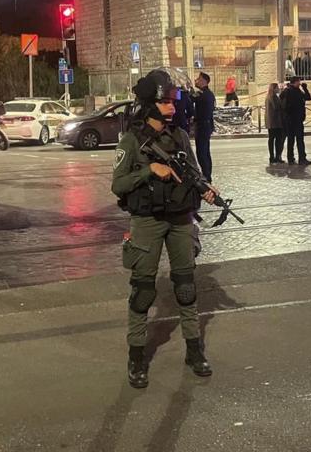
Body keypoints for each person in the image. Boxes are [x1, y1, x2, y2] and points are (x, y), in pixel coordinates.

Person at [112, 69, 218, 389]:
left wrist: (205, 190)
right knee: (143, 291)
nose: (173, 107)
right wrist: (149, 170)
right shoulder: (131, 140)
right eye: (166, 102)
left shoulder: (181, 136)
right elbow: (118, 184)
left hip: (180, 219)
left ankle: (194, 349)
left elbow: (193, 172)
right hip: (147, 222)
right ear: (149, 104)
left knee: (186, 287)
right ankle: (137, 355)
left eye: (174, 101)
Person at [281, 76, 311, 165]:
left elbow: (308, 97)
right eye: (299, 82)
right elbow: (285, 104)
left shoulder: (295, 90)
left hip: (295, 119)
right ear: (295, 82)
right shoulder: (289, 91)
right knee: (296, 140)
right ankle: (298, 158)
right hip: (293, 119)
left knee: (294, 140)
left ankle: (295, 158)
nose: (300, 83)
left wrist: (305, 88)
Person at [193, 72, 216, 182]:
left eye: (198, 79)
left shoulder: (203, 95)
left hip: (203, 125)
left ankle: (206, 176)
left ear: (204, 81)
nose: (196, 80)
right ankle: (207, 174)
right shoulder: (207, 93)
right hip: (206, 125)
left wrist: (186, 91)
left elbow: (190, 100)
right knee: (205, 151)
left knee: (202, 152)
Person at [265, 83, 285, 164]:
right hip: (275, 122)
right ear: (274, 89)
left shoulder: (269, 96)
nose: (278, 89)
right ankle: (275, 157)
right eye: (277, 88)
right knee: (277, 140)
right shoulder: (273, 97)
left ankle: (273, 157)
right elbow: (276, 108)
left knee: (272, 139)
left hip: (271, 122)